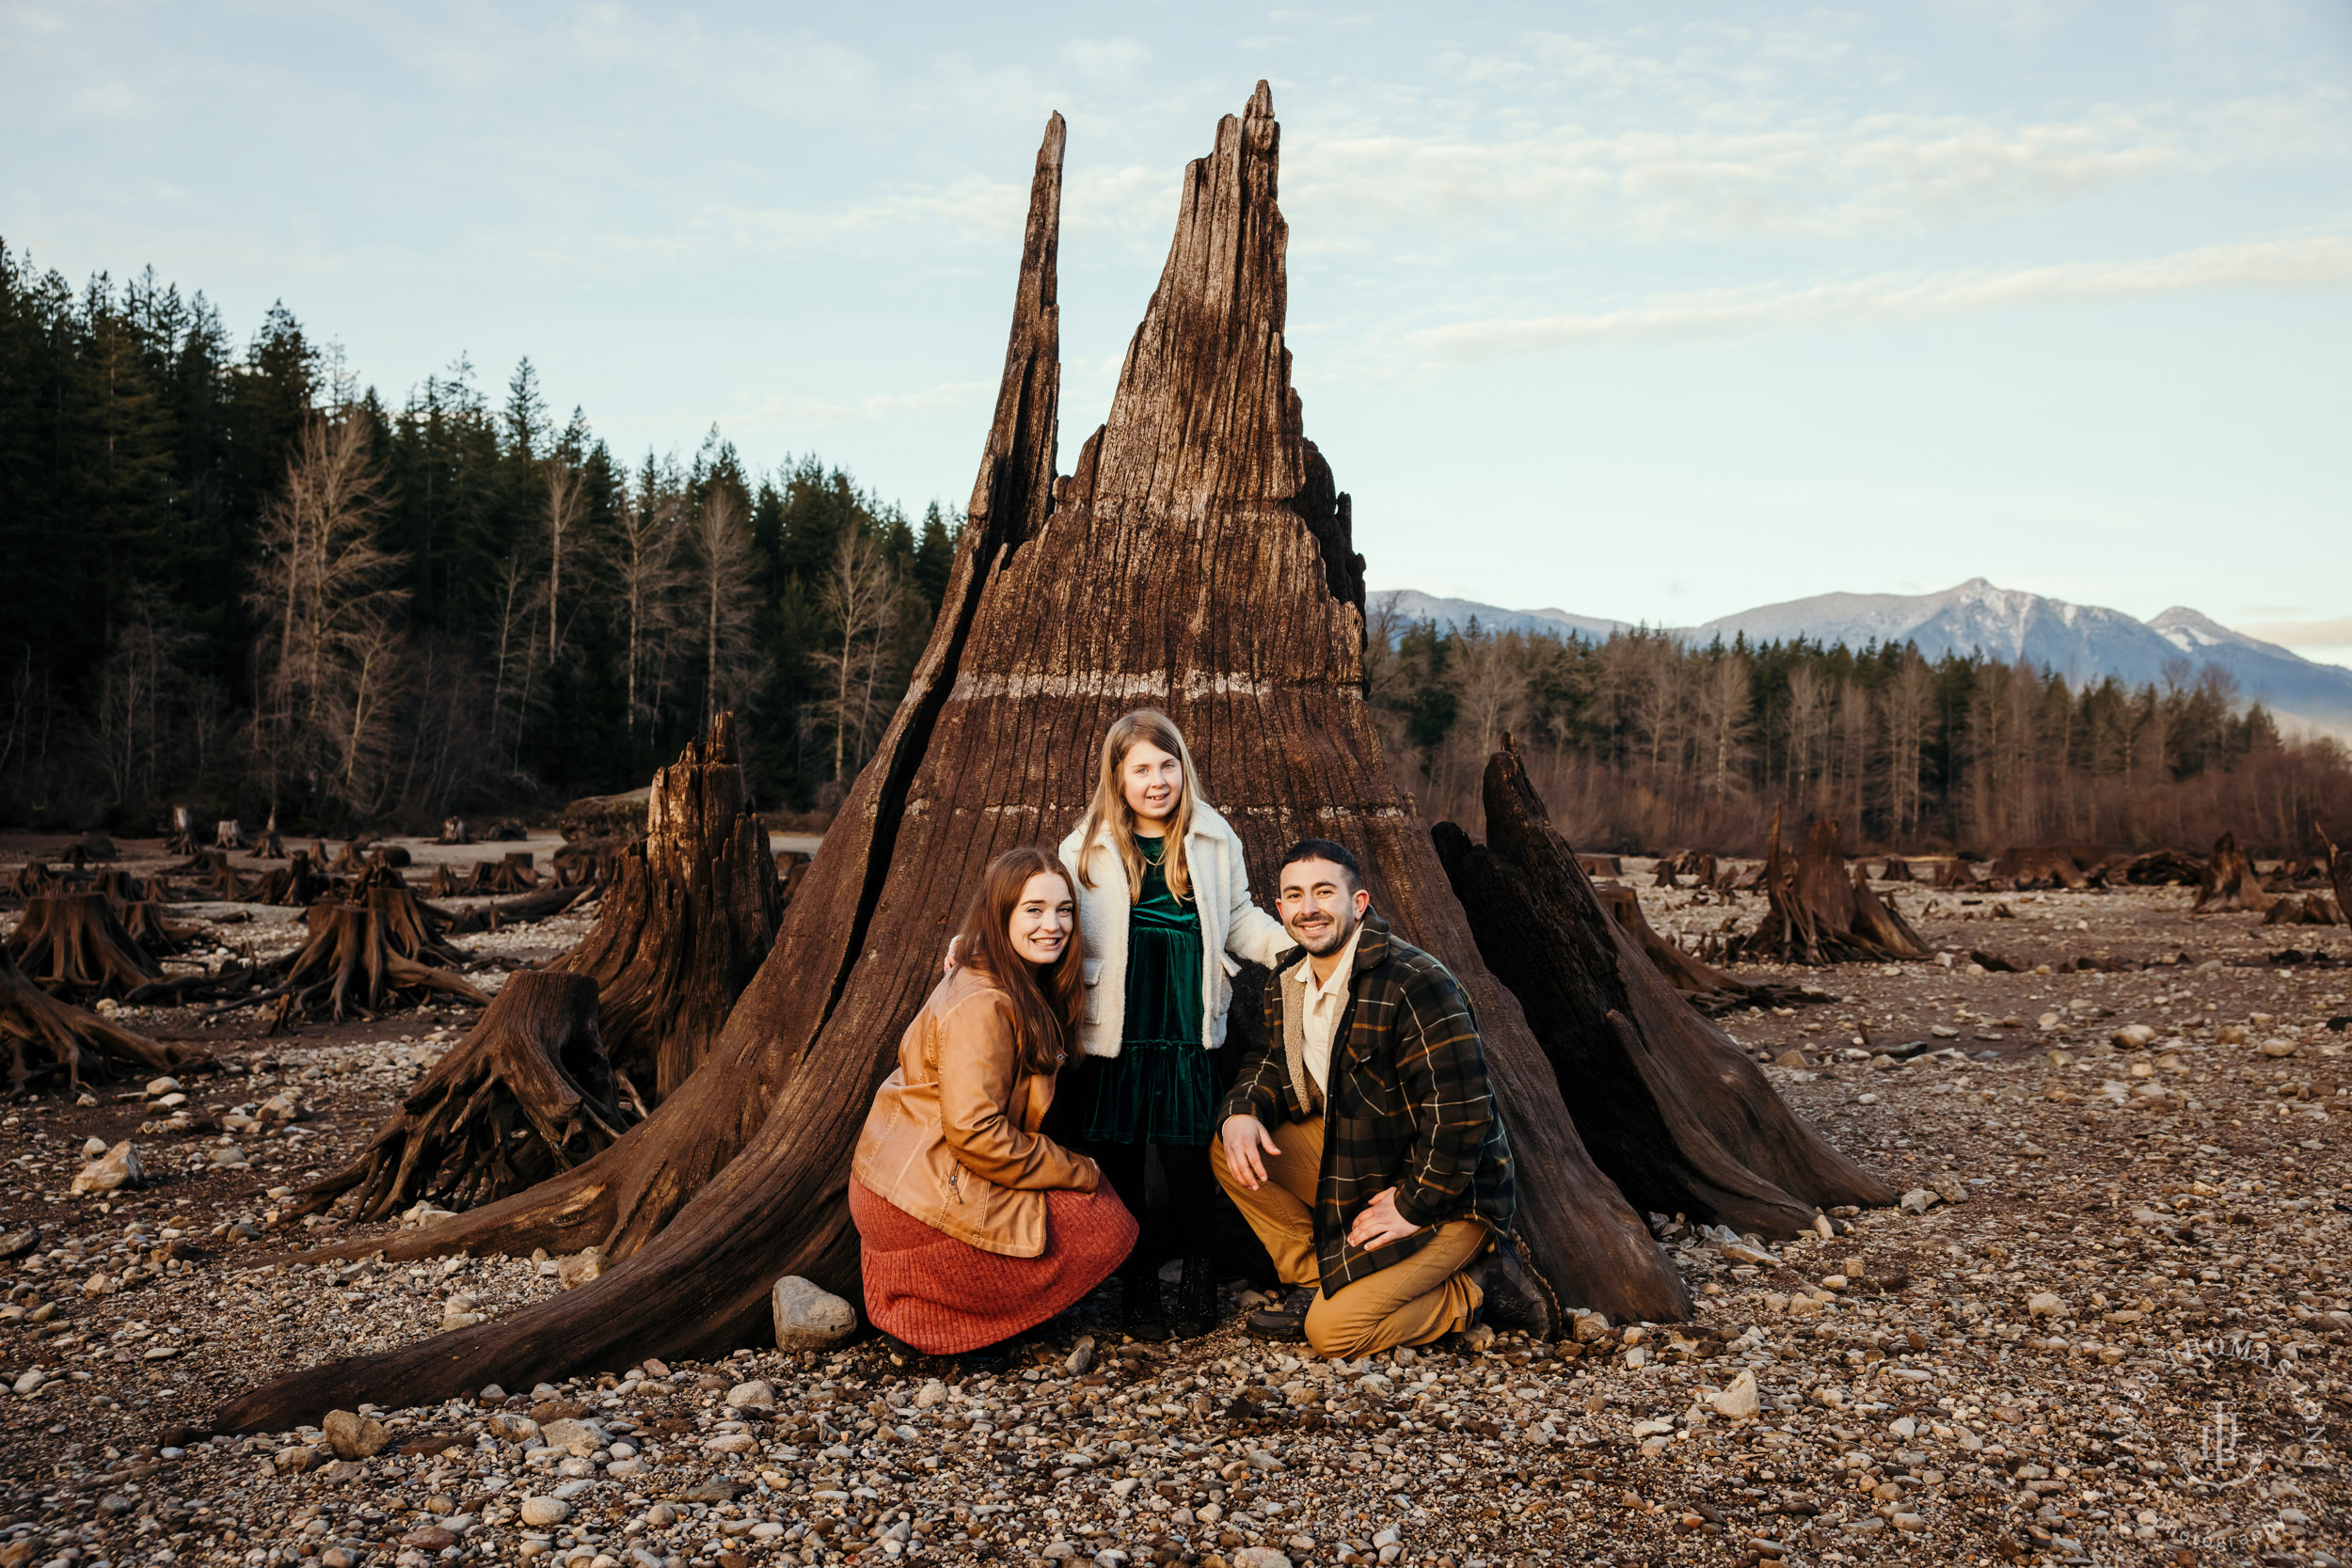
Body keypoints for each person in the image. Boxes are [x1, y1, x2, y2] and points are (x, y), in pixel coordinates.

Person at [1212, 838, 1549, 1358]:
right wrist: (1242, 1111)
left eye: (1324, 892)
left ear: (1359, 903)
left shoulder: (1415, 981)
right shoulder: (1288, 979)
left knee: (1334, 1335)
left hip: (1449, 1195)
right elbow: (1271, 1063)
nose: (1309, 909)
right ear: (1280, 910)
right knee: (1231, 1147)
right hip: (1360, 1161)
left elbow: (1462, 1117)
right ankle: (1314, 1280)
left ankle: (1481, 1283)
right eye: (1295, 896)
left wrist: (1415, 1205)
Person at [850, 847, 1136, 1368]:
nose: (1053, 925)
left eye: (1064, 909)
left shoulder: (1001, 975)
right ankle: (953, 1323)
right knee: (1104, 1222)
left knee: (1088, 1199)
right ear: (1000, 914)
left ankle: (946, 1315)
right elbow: (978, 1135)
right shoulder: (986, 1001)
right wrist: (1076, 1168)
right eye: (1033, 910)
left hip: (905, 1174)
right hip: (918, 1191)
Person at [1057, 708, 1292, 1339]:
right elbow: (1052, 921)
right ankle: (1136, 1279)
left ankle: (1200, 1269)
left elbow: (1240, 917)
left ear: (1183, 768)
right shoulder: (1084, 846)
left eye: (1168, 765)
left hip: (1188, 1021)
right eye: (1141, 769)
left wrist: (1290, 948)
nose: (1157, 780)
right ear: (1117, 776)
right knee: (1124, 1160)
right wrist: (976, 945)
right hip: (1120, 1025)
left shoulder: (1214, 839)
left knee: (1191, 1156)